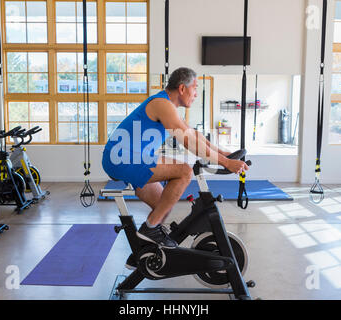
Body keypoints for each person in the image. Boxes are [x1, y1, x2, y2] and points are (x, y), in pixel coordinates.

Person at [102, 67, 249, 264]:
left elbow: (194, 135)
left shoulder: (168, 106)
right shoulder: (162, 104)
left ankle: (141, 253)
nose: (196, 94)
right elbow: (187, 141)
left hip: (132, 157)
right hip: (122, 157)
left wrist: (225, 155)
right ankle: (150, 230)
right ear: (182, 88)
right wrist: (226, 163)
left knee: (162, 205)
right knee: (184, 171)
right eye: (195, 88)